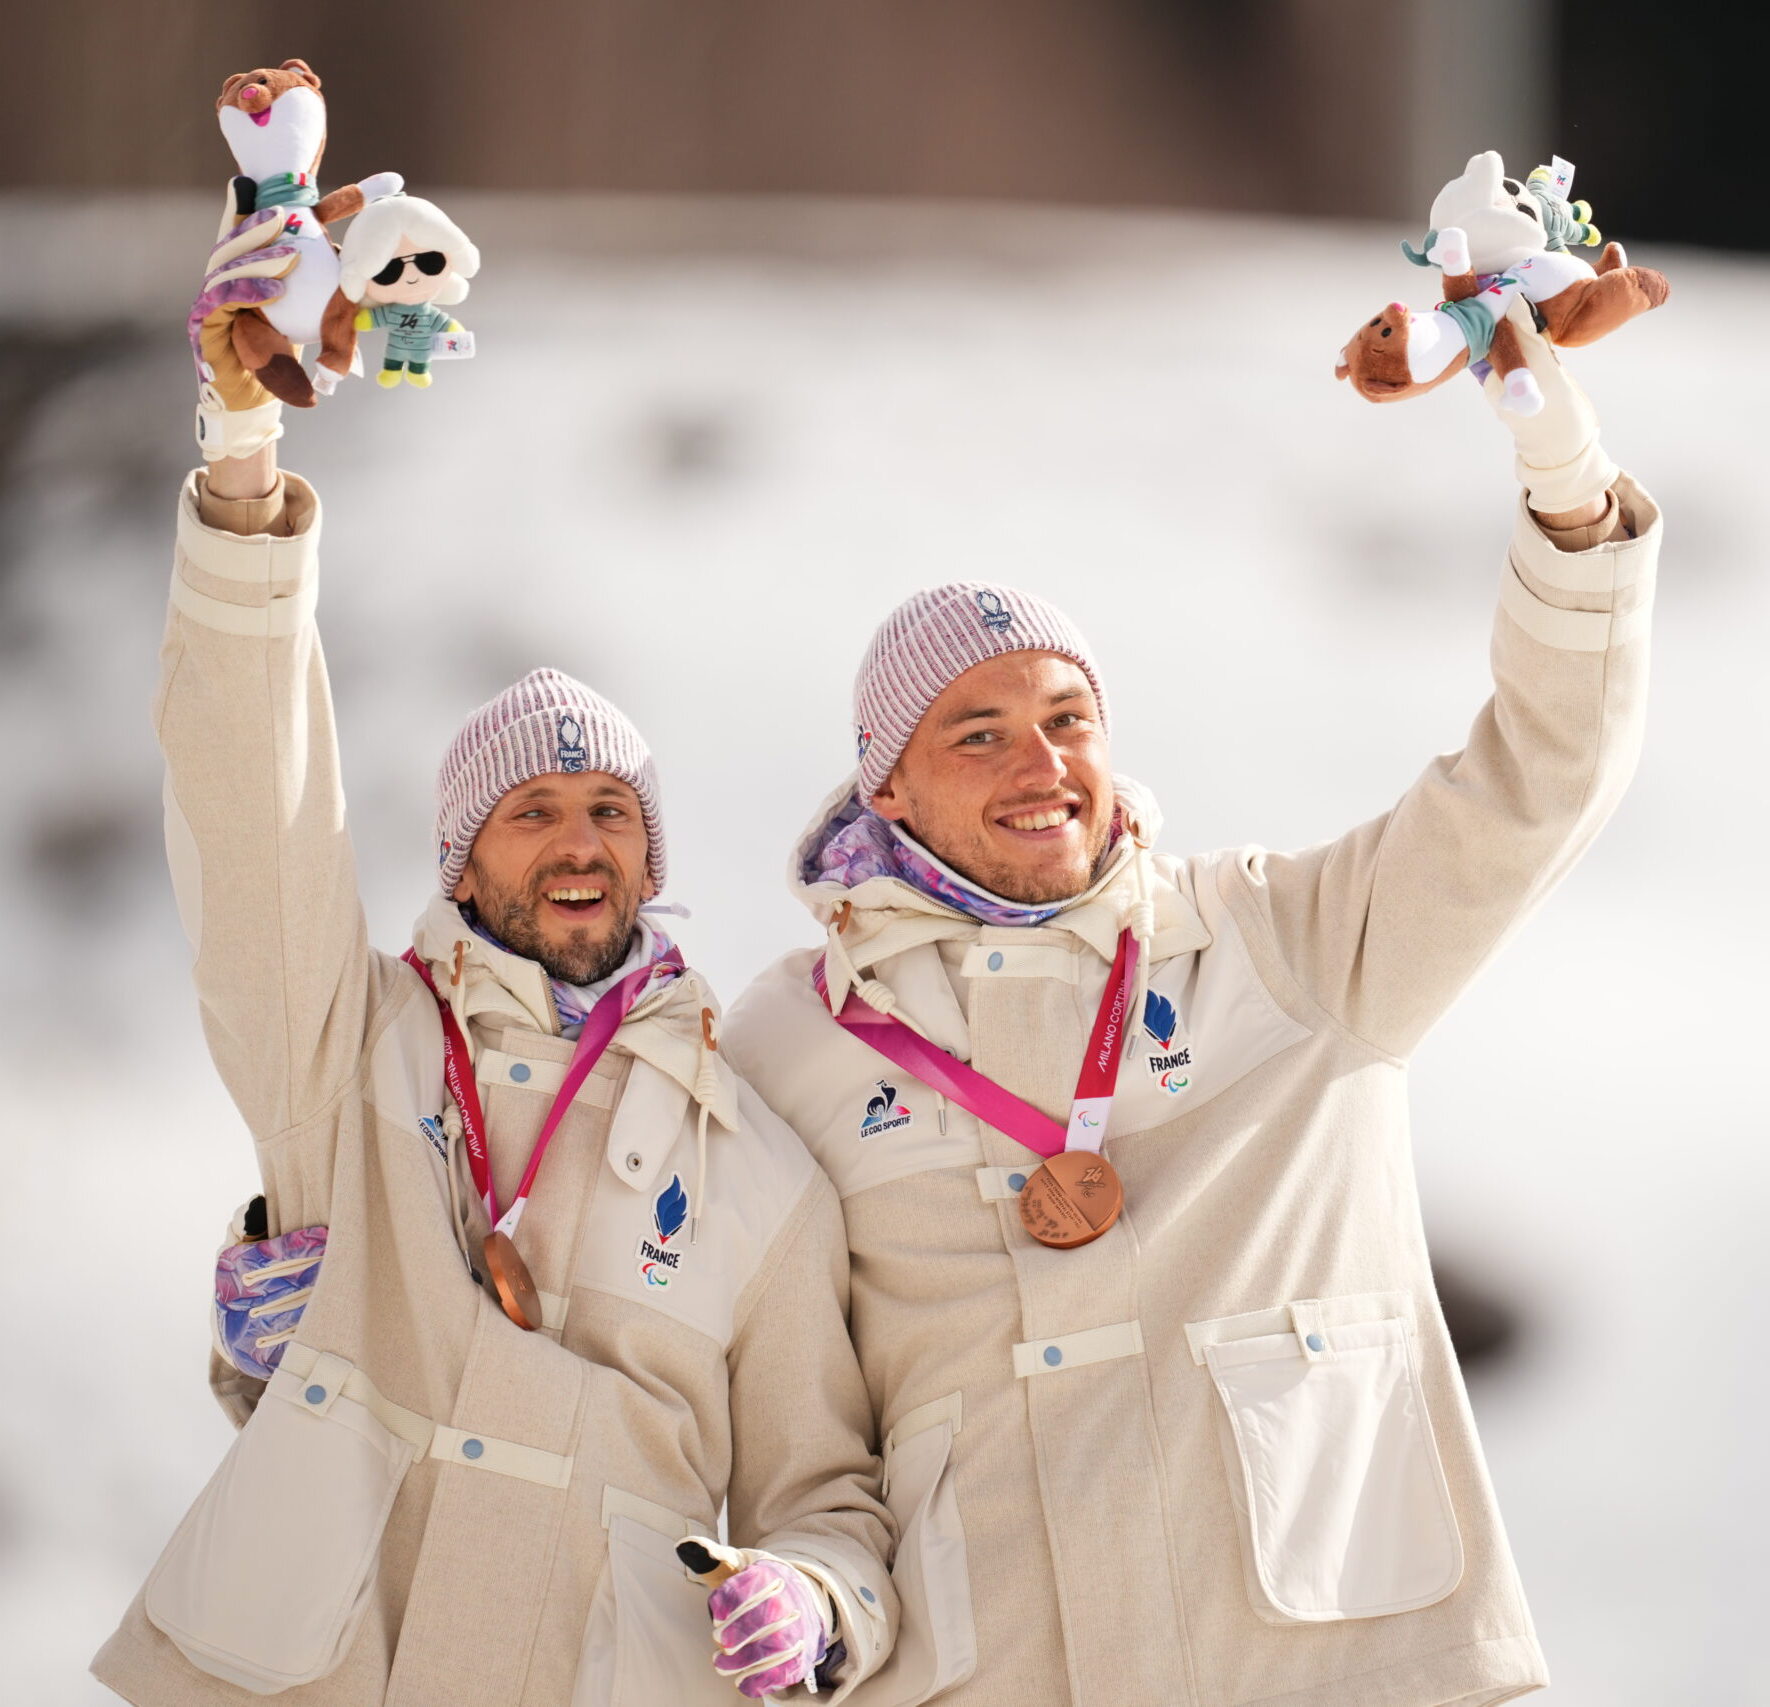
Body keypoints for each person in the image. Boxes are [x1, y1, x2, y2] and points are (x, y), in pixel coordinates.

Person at [720, 313, 1659, 1707]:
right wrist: (298, 1336)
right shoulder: (788, 1041)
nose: (1039, 761)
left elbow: (1540, 775)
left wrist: (1565, 485)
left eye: (1066, 716)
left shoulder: (1276, 941)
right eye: (974, 731)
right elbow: (643, 1312)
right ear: (887, 793)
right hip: (1006, 1673)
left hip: (1343, 1666)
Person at [92, 200, 897, 1707]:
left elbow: (827, 1501)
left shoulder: (761, 1177)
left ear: (653, 861)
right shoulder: (355, 1052)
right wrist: (243, 471)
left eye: (609, 809)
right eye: (532, 810)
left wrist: (814, 1601)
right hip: (325, 1658)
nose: (579, 837)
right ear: (461, 859)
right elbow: (246, 801)